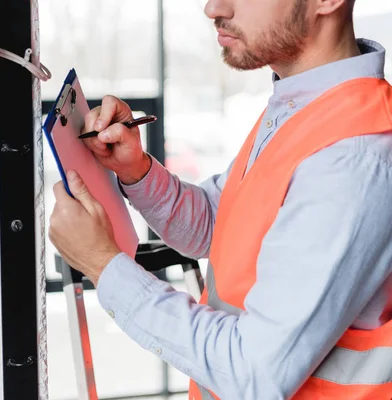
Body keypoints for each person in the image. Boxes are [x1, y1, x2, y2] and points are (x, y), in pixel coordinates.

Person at [49, 0, 392, 398]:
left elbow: (251, 372)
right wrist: (137, 171)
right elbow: (217, 225)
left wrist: (102, 264)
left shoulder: (351, 157)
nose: (213, 7)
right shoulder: (308, 106)